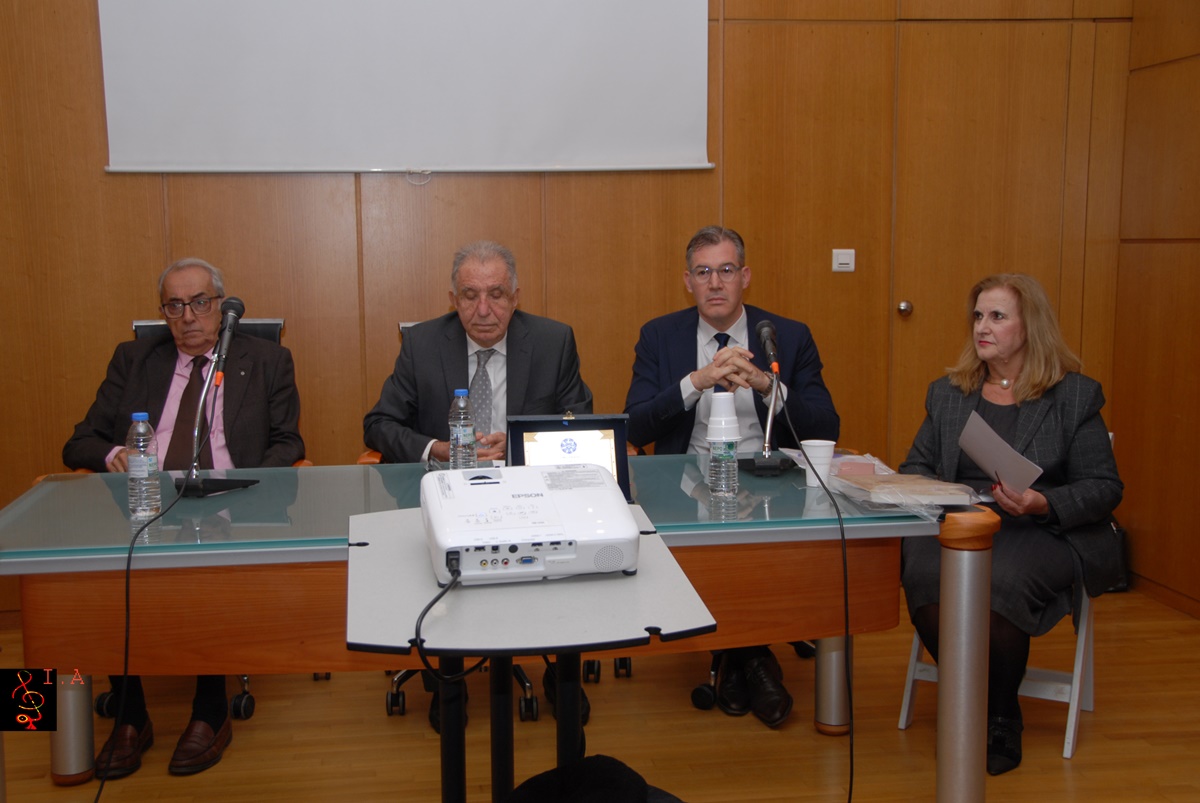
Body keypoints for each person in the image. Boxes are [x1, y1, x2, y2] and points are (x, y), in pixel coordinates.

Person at [63, 257, 305, 778]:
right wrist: (114, 454)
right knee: (96, 576)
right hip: (144, 505)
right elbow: (79, 441)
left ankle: (210, 708)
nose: (188, 316)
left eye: (199, 303)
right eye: (174, 306)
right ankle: (130, 715)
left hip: (230, 506)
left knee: (205, 568)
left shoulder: (267, 359)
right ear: (163, 313)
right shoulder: (134, 359)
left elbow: (289, 444)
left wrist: (244, 489)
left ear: (221, 305)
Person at [363, 239, 594, 731]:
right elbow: (378, 424)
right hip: (448, 494)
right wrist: (438, 448)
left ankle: (562, 672)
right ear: (454, 299)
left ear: (516, 297)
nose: (483, 310)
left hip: (531, 492)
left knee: (568, 555)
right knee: (432, 557)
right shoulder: (423, 344)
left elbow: (579, 423)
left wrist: (521, 447)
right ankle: (448, 682)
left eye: (497, 294)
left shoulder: (553, 341)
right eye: (470, 295)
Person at [899, 273, 1123, 776]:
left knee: (999, 582)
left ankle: (1001, 715)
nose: (983, 326)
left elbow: (1104, 486)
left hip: (1040, 527)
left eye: (997, 316)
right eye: (978, 316)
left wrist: (1042, 502)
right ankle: (974, 701)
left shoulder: (1074, 396)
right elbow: (916, 466)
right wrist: (942, 493)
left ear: (1030, 327)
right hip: (962, 523)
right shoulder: (949, 393)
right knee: (923, 573)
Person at [624, 225, 840, 728]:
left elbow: (826, 426)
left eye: (725, 270)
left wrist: (766, 385)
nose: (715, 282)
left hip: (774, 481)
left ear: (745, 276)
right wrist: (696, 382)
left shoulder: (785, 335)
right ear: (688, 281)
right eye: (703, 272)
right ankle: (755, 662)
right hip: (685, 481)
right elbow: (634, 424)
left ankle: (737, 660)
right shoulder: (660, 335)